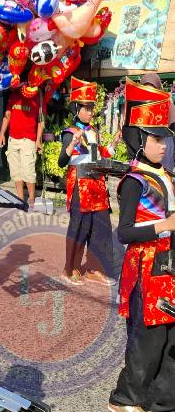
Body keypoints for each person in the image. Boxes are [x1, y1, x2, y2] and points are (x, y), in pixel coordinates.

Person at [108, 78, 175, 412]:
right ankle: (126, 398)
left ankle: (163, 400)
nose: (163, 145)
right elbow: (125, 233)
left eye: (165, 137)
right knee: (146, 339)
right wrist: (165, 225)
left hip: (170, 265)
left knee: (171, 340)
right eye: (156, 138)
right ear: (138, 138)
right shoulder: (134, 182)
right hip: (147, 267)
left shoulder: (167, 176)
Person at [57, 77, 121, 287]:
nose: (90, 111)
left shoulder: (93, 132)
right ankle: (70, 269)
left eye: (92, 107)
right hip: (81, 187)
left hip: (98, 187)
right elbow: (61, 161)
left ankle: (95, 269)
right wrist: (71, 145)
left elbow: (99, 156)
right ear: (76, 108)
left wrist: (113, 144)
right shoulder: (70, 133)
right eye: (86, 107)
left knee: (101, 228)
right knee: (79, 228)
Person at [0, 90, 45, 209]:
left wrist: (38, 140)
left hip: (28, 140)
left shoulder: (38, 97)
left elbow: (41, 121)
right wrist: (2, 134)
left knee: (28, 172)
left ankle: (32, 200)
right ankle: (20, 200)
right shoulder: (14, 95)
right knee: (16, 172)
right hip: (13, 139)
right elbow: (7, 116)